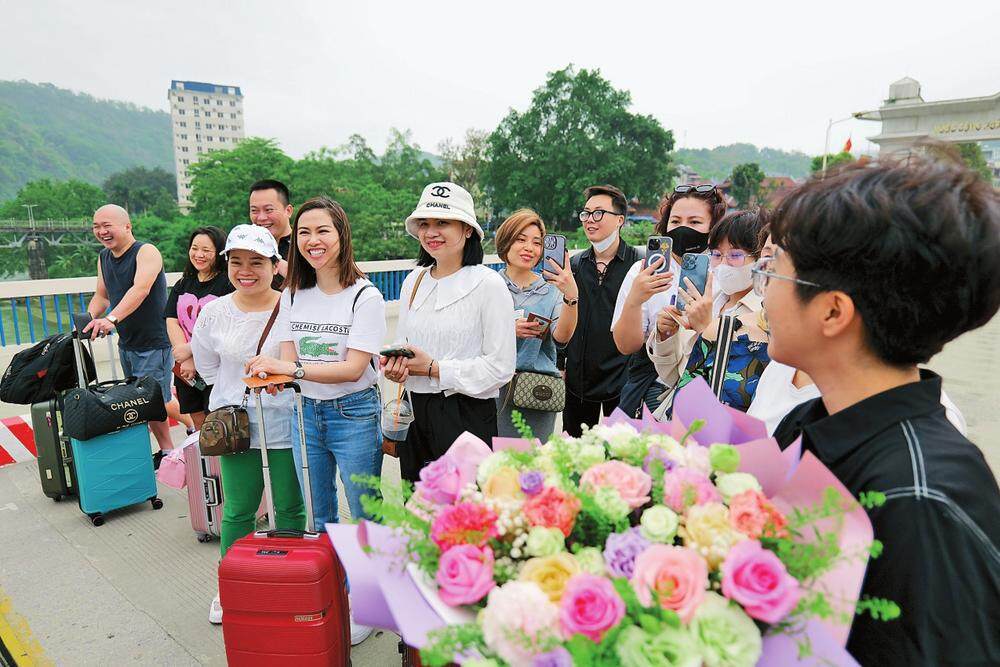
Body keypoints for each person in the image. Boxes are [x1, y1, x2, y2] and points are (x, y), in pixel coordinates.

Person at [763, 156, 1000, 665]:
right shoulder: (807, 425)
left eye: (775, 272)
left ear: (832, 311)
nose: (764, 289)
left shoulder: (922, 500)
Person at [246, 197, 386, 529]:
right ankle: (330, 581)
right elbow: (288, 357)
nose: (313, 240)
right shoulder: (293, 293)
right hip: (304, 411)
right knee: (319, 515)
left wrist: (290, 370)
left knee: (367, 513)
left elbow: (353, 368)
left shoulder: (366, 297)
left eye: (323, 230)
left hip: (354, 414)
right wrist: (269, 372)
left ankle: (369, 582)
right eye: (304, 233)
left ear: (341, 235)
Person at [190, 224, 305, 626]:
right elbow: (207, 368)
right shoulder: (214, 312)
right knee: (238, 509)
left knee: (290, 506)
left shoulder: (295, 306)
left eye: (256, 261)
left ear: (276, 265)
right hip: (237, 427)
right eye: (236, 262)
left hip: (286, 422)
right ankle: (231, 587)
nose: (245, 270)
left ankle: (291, 580)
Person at [747, 231, 968, 436]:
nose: (764, 296)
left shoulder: (921, 443)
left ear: (834, 311)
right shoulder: (785, 372)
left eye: (774, 273)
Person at [382, 182, 515, 482]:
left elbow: (501, 367)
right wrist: (397, 365)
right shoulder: (413, 281)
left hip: (466, 415)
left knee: (465, 516)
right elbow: (404, 342)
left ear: (468, 229)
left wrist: (434, 369)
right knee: (419, 509)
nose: (431, 232)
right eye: (424, 224)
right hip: (416, 414)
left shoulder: (488, 284)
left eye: (443, 222)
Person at [612, 184, 728, 416]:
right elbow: (625, 346)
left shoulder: (725, 272)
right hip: (650, 389)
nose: (683, 228)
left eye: (695, 222)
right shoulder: (642, 271)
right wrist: (635, 300)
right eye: (675, 221)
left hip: (711, 390)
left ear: (714, 227)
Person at [649, 208, 769, 415]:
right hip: (677, 413)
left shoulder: (765, 315)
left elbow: (739, 391)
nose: (723, 264)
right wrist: (666, 335)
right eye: (716, 255)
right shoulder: (706, 301)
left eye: (734, 255)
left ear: (761, 260)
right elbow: (673, 377)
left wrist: (707, 330)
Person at [85, 204, 177, 467]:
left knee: (152, 401)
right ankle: (190, 427)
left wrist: (111, 319)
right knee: (150, 398)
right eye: (96, 226)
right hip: (127, 342)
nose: (102, 231)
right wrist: (89, 319)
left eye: (107, 225)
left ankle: (168, 453)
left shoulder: (146, 252)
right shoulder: (103, 257)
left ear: (127, 226)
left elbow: (141, 289)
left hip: (153, 340)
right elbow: (102, 296)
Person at [561, 185, 639, 436]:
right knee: (574, 457)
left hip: (623, 378)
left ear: (620, 220)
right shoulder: (574, 265)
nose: (589, 220)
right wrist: (561, 363)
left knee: (621, 455)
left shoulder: (638, 266)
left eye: (598, 213)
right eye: (586, 213)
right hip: (579, 380)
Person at [493, 209, 579, 440]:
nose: (529, 248)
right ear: (505, 241)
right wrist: (506, 330)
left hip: (534, 391)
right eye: (520, 239)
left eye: (536, 242)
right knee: (493, 468)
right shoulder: (488, 284)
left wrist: (571, 296)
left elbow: (562, 337)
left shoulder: (551, 289)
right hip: (491, 389)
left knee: (532, 466)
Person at [164, 226, 233, 430]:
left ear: (219, 253)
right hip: (186, 370)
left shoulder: (227, 284)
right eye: (195, 248)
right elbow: (172, 319)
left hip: (215, 368)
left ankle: (221, 464)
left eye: (206, 250)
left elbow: (225, 327)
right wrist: (184, 358)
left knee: (218, 425)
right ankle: (204, 462)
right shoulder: (183, 283)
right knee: (200, 428)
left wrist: (193, 353)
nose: (199, 255)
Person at [249, 179, 293, 288]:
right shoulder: (246, 247)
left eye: (268, 210)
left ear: (288, 211)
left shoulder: (304, 245)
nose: (261, 218)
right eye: (254, 210)